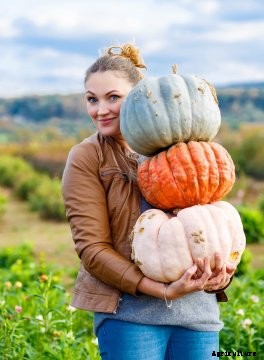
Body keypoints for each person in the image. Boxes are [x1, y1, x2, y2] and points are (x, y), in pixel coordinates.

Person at [61, 43, 235, 360]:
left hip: (198, 315)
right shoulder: (88, 157)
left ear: (140, 97)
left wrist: (222, 271)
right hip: (130, 318)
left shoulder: (187, 148)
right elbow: (92, 249)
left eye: (113, 97)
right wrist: (163, 291)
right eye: (92, 99)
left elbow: (215, 227)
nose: (100, 110)